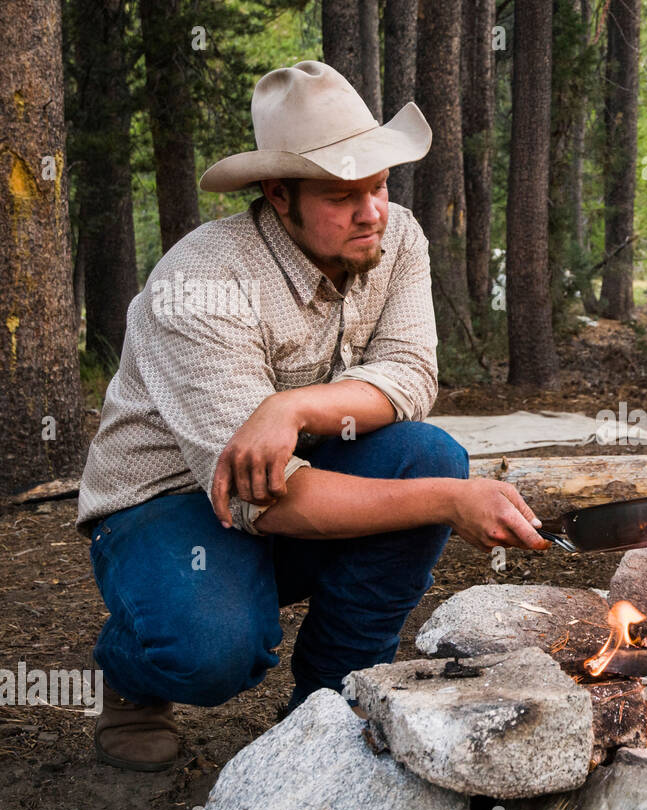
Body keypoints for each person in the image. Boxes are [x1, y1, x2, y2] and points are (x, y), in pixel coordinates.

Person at [75, 61, 548, 772]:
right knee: (212, 649)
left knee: (429, 452)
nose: (372, 211)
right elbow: (258, 498)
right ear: (279, 195)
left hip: (297, 481)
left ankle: (330, 699)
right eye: (341, 195)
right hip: (164, 508)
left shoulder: (398, 239)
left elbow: (412, 375)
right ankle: (131, 676)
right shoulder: (201, 281)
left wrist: (292, 406)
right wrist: (451, 504)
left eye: (379, 185)